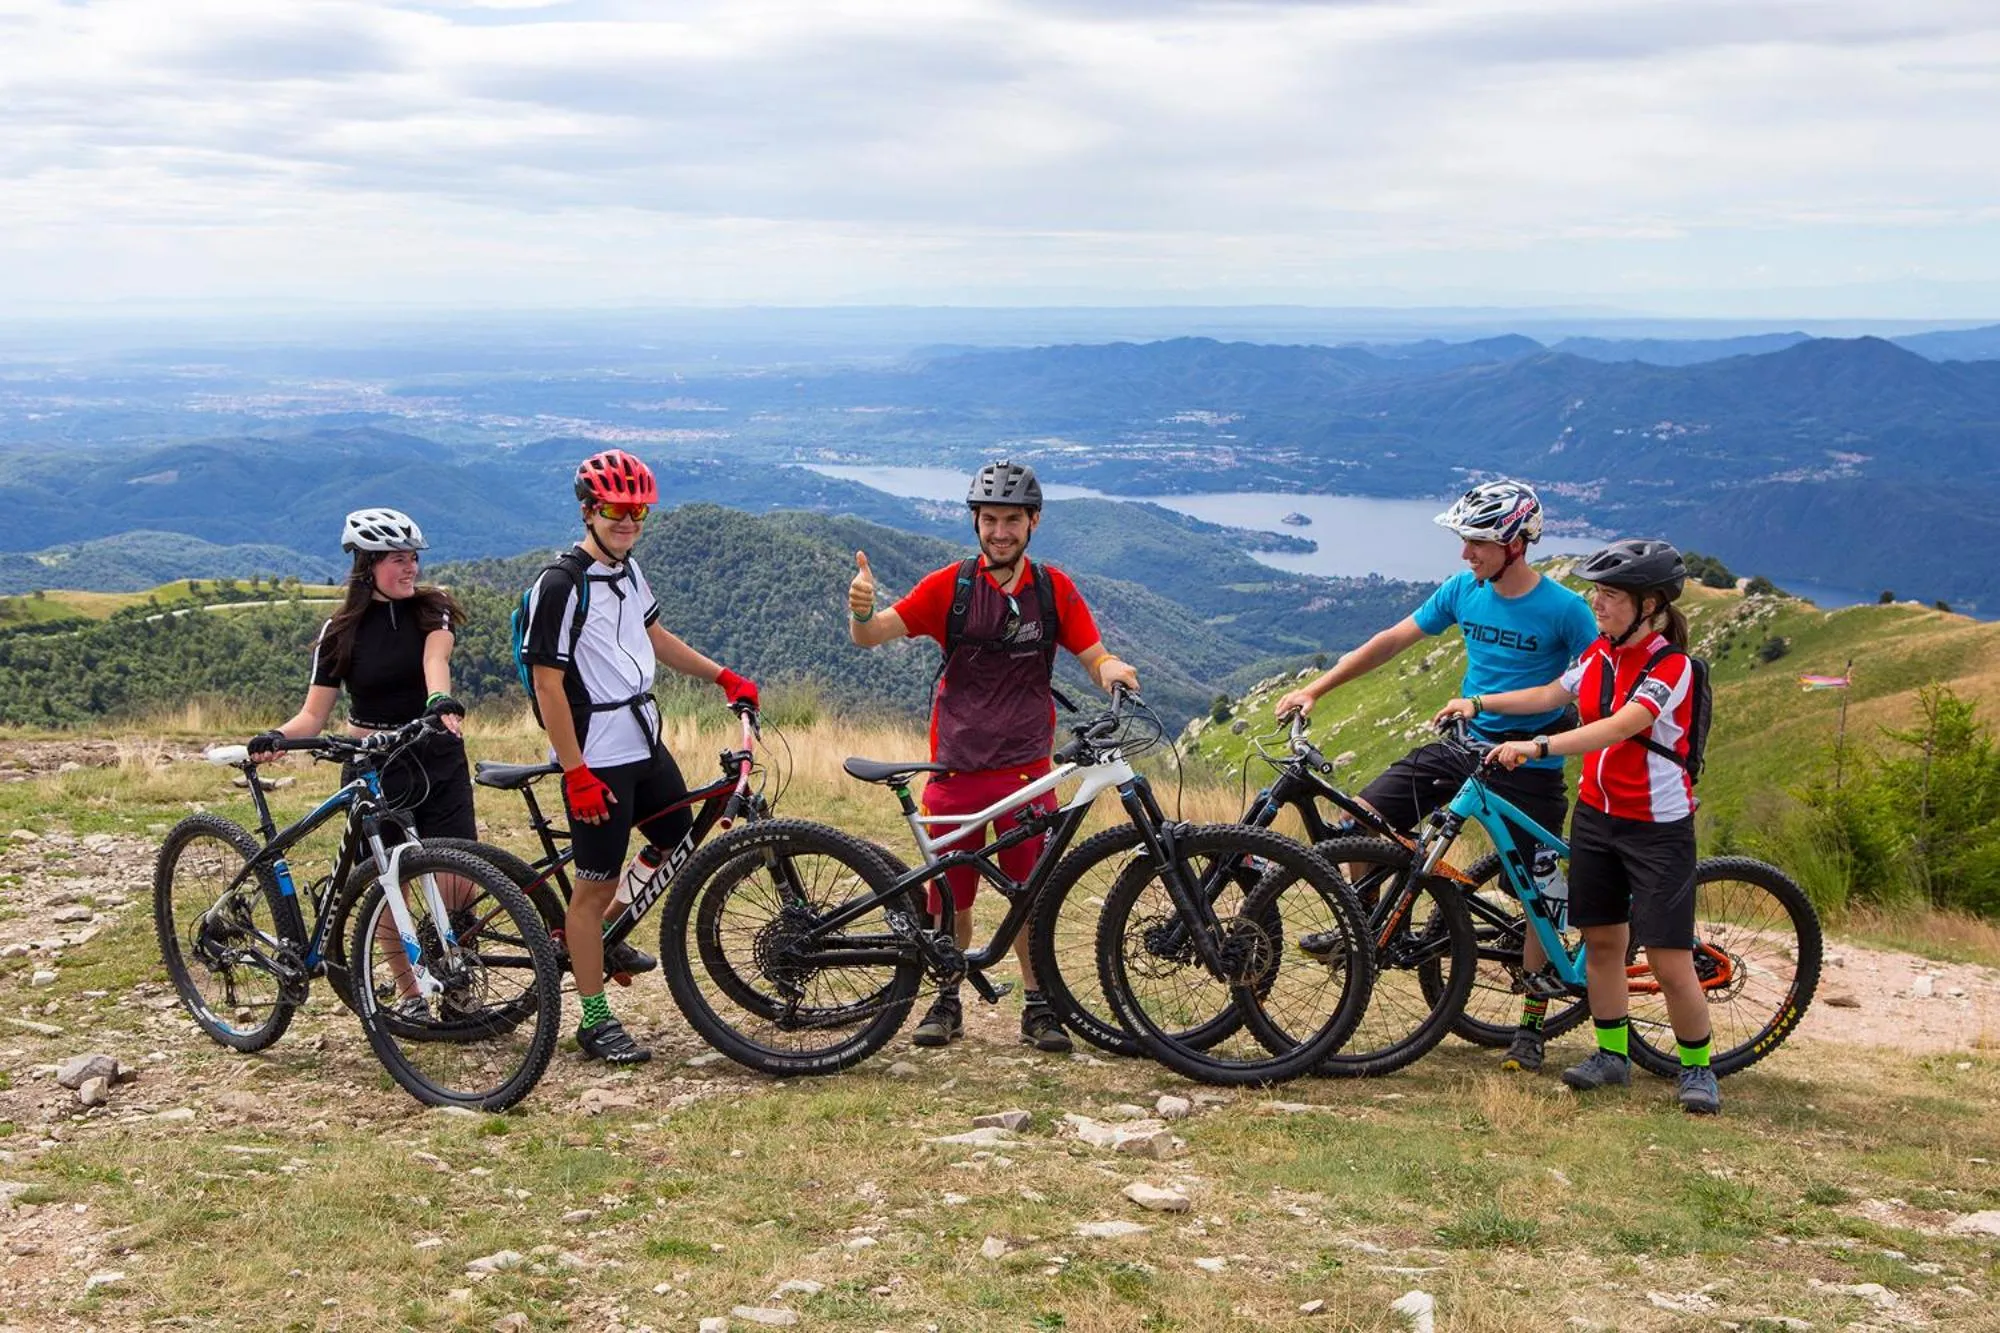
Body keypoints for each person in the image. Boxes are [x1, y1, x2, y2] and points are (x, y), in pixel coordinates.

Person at [1274, 480, 1597, 1071]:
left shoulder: (1568, 612)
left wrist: (1494, 709)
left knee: (1536, 898)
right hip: (1462, 751)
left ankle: (1531, 1026)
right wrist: (1316, 688)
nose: (1465, 554)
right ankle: (1366, 928)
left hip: (1530, 766)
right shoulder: (1463, 590)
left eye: (1477, 542)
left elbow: (1586, 691)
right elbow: (1392, 640)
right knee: (1361, 820)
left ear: (1516, 544)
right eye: (1465, 541)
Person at [846, 460, 1140, 1052]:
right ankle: (946, 997)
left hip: (1029, 770)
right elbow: (873, 635)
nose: (999, 531)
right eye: (989, 520)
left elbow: (1093, 655)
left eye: (1011, 520)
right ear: (976, 523)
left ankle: (1038, 1005)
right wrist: (859, 610)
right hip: (955, 768)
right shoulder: (949, 588)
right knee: (950, 895)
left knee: (1029, 892)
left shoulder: (1054, 590)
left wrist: (1114, 672)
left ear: (1033, 522)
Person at [1435, 538, 1718, 1115]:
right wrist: (1480, 703)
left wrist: (1537, 745)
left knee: (1668, 960)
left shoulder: (1674, 668)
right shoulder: (1598, 657)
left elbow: (1621, 726)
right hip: (1596, 817)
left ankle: (1698, 1068)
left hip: (1656, 827)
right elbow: (1548, 692)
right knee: (1603, 942)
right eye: (1596, 593)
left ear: (1652, 605)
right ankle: (1612, 1056)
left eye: (1611, 596)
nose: (1598, 604)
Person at [520, 449, 760, 1066]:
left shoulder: (628, 571)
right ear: (588, 510)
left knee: (676, 835)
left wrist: (722, 676)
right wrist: (574, 773)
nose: (627, 520)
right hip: (595, 752)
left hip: (642, 739)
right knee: (591, 888)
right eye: (614, 509)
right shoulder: (561, 583)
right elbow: (548, 684)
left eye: (637, 511)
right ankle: (593, 1019)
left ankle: (600, 936)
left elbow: (655, 637)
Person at [248, 508, 476, 1019]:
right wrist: (275, 738)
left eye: (413, 558)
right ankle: (411, 993)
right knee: (389, 881)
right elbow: (312, 715)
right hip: (374, 764)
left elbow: (434, 661)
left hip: (434, 753)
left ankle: (459, 982)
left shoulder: (431, 610)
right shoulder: (340, 632)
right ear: (368, 565)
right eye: (398, 559)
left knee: (460, 878)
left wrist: (439, 703)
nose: (410, 568)